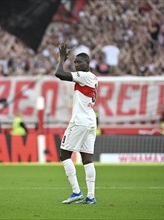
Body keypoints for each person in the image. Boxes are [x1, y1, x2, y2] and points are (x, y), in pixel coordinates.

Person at [55, 42, 98, 204]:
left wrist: (61, 59)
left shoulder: (84, 76)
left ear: (88, 63)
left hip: (80, 121)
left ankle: (76, 191)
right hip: (90, 121)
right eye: (75, 63)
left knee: (64, 154)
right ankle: (91, 196)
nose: (77, 65)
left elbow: (59, 74)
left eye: (80, 62)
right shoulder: (93, 77)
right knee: (86, 158)